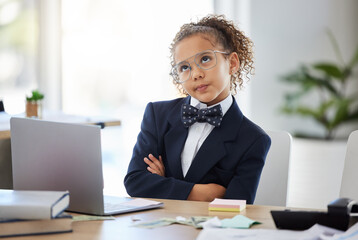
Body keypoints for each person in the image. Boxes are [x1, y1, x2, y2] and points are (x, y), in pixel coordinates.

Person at [124, 14, 271, 203]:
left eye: (205, 59)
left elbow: (234, 207)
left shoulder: (253, 139)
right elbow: (135, 182)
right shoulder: (157, 115)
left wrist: (163, 183)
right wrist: (202, 193)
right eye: (184, 67)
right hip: (160, 229)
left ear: (232, 63)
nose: (196, 74)